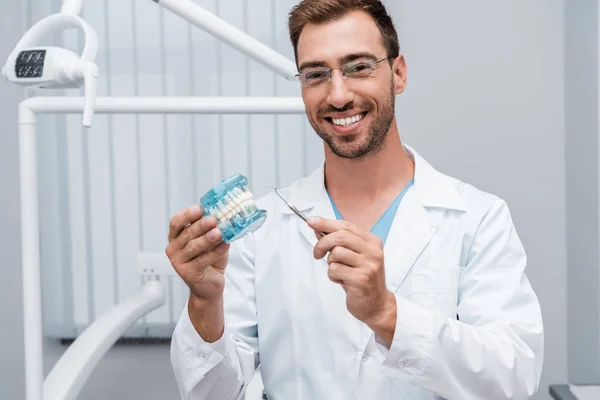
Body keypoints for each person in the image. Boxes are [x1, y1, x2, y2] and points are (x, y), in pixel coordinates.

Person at [166, 0, 544, 399]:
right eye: (316, 74)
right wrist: (205, 302)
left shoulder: (477, 219)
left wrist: (387, 314)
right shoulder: (263, 231)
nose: (339, 95)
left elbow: (512, 378)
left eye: (359, 67)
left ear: (398, 73)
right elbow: (212, 394)